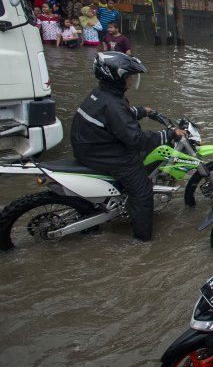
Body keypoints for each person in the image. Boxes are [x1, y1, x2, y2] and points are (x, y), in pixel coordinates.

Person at [71, 52, 186, 241]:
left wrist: (143, 111)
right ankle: (142, 240)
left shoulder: (102, 94)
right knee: (143, 192)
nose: (131, 81)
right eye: (128, 76)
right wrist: (169, 134)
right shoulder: (113, 104)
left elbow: (117, 116)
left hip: (89, 147)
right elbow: (136, 138)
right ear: (116, 77)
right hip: (105, 154)